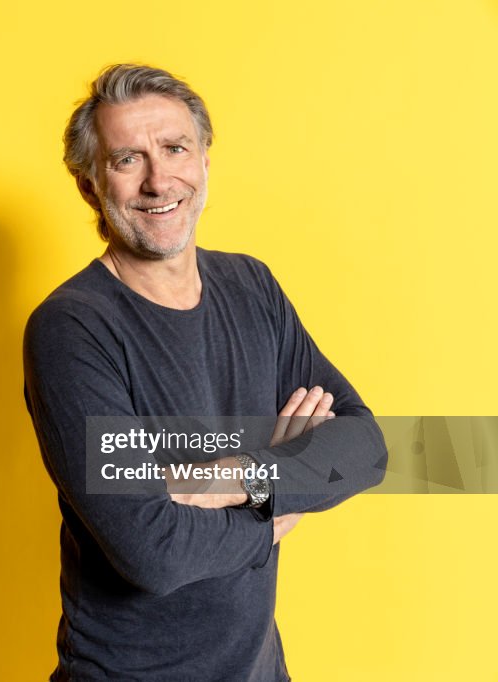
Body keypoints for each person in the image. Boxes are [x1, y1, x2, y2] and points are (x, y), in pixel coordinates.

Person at [22, 64, 387, 681]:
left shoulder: (253, 287)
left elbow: (367, 448)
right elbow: (152, 552)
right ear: (91, 187)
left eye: (174, 148)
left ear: (205, 162)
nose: (159, 180)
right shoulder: (71, 329)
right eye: (126, 160)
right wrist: (279, 506)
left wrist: (231, 476)